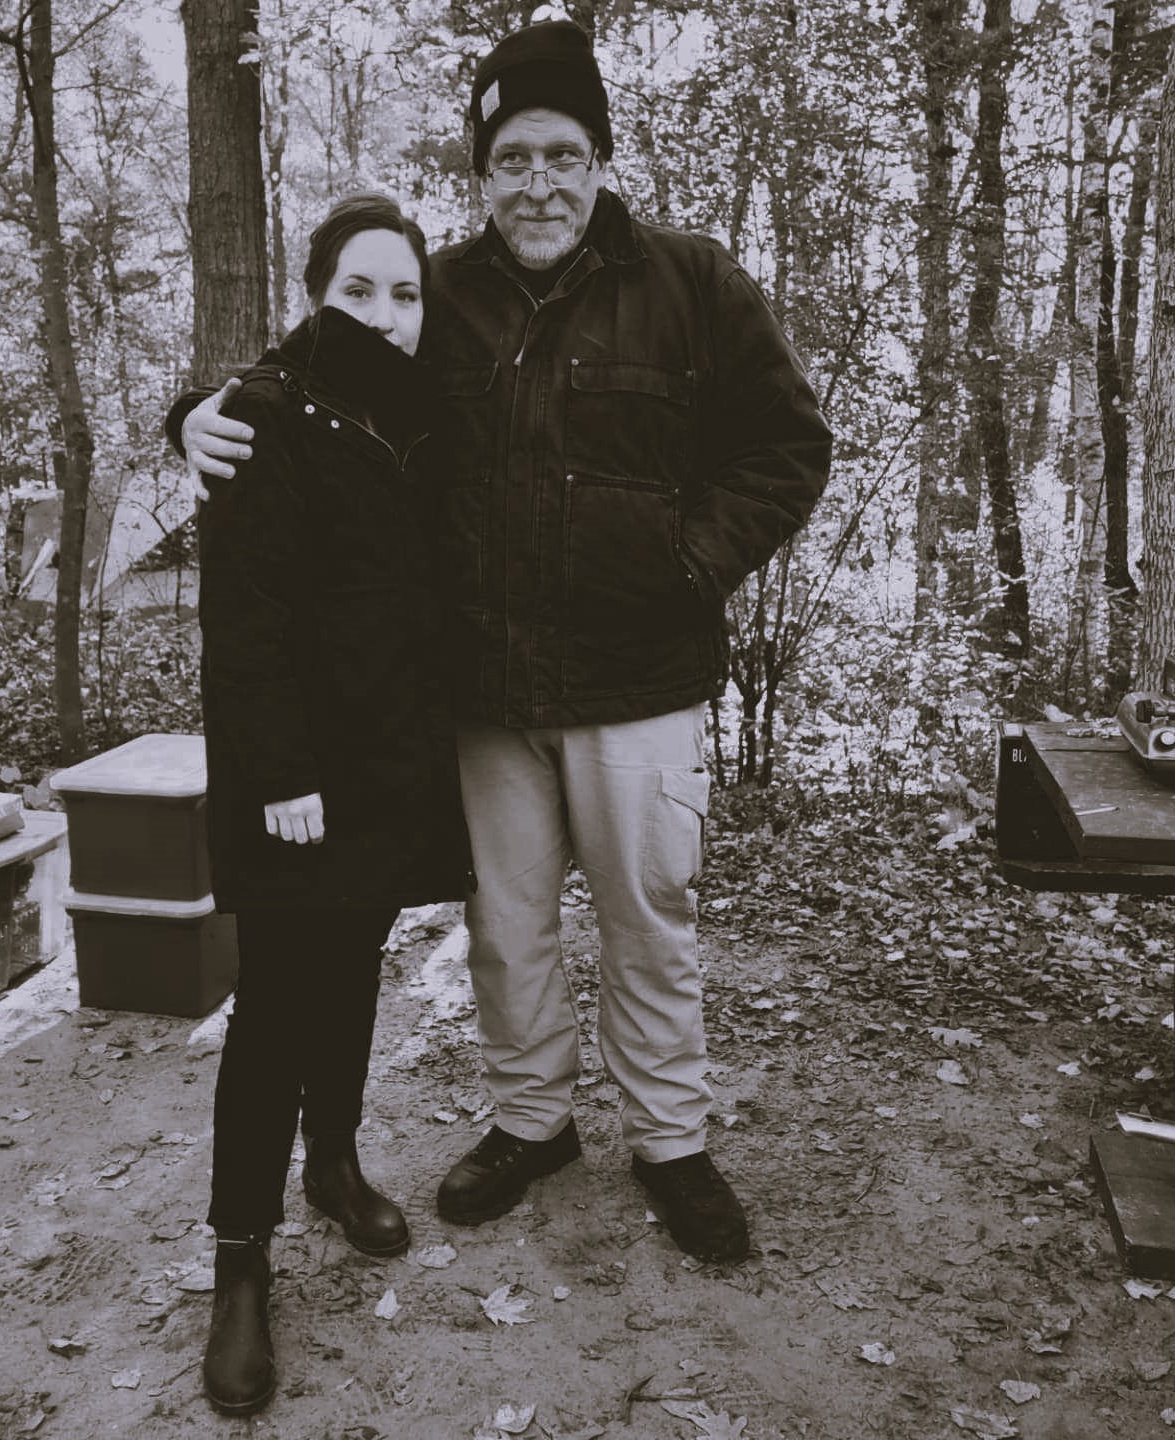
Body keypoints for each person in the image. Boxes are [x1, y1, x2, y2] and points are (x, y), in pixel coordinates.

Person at [169, 21, 832, 1271]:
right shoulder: (447, 293)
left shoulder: (691, 281)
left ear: (600, 159)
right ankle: (533, 1123)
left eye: (563, 154)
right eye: (512, 157)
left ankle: (672, 1141)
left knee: (649, 916)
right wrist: (192, 414)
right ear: (481, 173)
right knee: (508, 926)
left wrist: (691, 560)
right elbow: (312, 383)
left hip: (641, 683)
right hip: (481, 693)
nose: (538, 182)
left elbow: (789, 449)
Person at [192, 194, 470, 1416]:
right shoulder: (265, 412)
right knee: (273, 1007)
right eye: (358, 289)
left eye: (405, 290)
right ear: (315, 296)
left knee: (353, 969)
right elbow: (242, 622)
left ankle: (337, 1166)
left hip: (390, 766)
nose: (386, 313)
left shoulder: (427, 407)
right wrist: (283, 774)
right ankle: (240, 1261)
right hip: (292, 777)